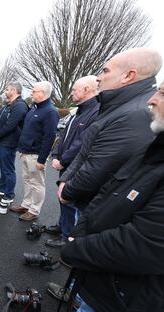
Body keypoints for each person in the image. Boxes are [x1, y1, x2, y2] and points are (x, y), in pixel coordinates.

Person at [51, 48, 162, 312]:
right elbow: (112, 183)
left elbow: (100, 166)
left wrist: (76, 245)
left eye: (104, 70)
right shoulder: (117, 107)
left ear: (129, 75)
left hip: (118, 279)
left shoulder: (134, 114)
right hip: (98, 237)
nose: (153, 100)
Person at [46, 76, 99, 248]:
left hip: (74, 166)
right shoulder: (79, 110)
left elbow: (82, 142)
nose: (71, 92)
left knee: (69, 201)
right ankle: (62, 226)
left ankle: (66, 236)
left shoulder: (96, 111)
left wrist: (63, 160)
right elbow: (63, 136)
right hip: (65, 164)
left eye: (75, 89)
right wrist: (55, 153)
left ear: (87, 90)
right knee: (63, 199)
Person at [9, 81, 59, 221]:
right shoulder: (34, 109)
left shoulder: (50, 111)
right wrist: (21, 149)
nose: (31, 93)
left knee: (37, 184)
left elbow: (49, 137)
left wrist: (42, 159)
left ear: (43, 93)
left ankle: (34, 210)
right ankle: (26, 204)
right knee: (27, 180)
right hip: (26, 152)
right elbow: (27, 131)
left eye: (34, 91)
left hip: (36, 155)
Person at [0, 82, 29, 204]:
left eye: (7, 89)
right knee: (3, 166)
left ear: (14, 90)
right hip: (2, 142)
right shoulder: (9, 105)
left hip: (8, 143)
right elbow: (0, 123)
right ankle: (2, 188)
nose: (5, 91)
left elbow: (10, 125)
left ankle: (9, 194)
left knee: (8, 169)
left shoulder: (20, 105)